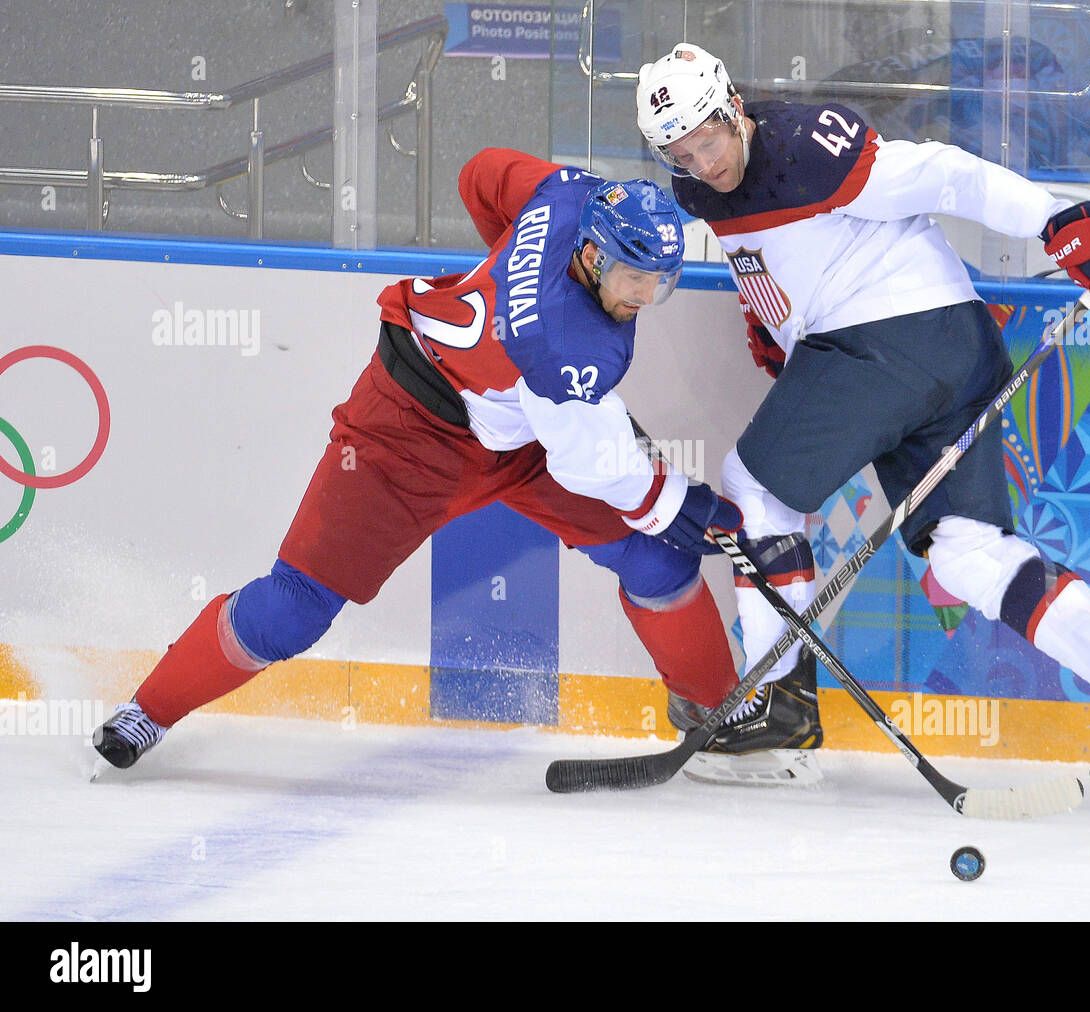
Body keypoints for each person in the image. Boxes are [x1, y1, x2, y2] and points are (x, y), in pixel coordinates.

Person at [634, 43, 1090, 793]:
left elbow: (946, 172)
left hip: (886, 339)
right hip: (950, 346)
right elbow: (779, 250)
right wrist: (774, 317)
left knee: (754, 492)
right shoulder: (700, 189)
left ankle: (779, 710)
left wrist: (1056, 219)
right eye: (679, 154)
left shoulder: (804, 145)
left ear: (731, 109)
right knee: (963, 551)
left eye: (707, 139)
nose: (702, 162)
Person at [92, 148, 744, 771]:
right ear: (594, 254)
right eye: (635, 277)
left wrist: (508, 270)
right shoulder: (566, 344)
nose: (645, 296)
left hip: (519, 434)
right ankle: (146, 711)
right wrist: (675, 501)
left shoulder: (567, 195)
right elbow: (589, 466)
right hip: (405, 435)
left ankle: (718, 713)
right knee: (294, 609)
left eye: (661, 281)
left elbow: (479, 175)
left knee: (657, 558)